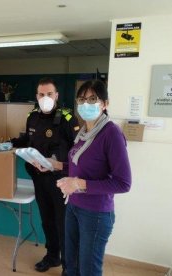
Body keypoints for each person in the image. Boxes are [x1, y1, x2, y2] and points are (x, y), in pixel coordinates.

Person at [36, 80, 132, 276]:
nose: (86, 104)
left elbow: (123, 183)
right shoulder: (83, 132)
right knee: (71, 265)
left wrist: (78, 184)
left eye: (92, 99)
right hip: (73, 207)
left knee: (88, 270)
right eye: (82, 99)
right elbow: (77, 167)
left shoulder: (111, 133)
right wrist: (55, 165)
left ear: (105, 103)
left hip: (95, 214)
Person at [11, 77, 80, 275]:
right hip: (39, 178)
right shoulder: (32, 116)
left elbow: (77, 150)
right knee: (47, 220)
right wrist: (11, 143)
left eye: (49, 94)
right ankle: (52, 256)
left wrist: (62, 167)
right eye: (41, 94)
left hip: (60, 180)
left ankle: (68, 266)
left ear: (56, 96)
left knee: (63, 223)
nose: (45, 98)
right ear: (36, 96)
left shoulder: (68, 119)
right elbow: (28, 138)